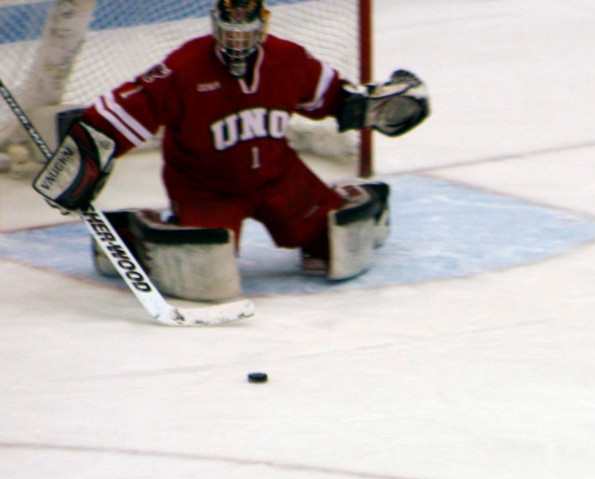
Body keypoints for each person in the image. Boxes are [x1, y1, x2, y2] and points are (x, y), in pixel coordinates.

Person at [31, 0, 429, 299]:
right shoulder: (186, 66)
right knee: (205, 275)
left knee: (340, 248)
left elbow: (336, 98)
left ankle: (370, 202)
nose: (237, 42)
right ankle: (130, 231)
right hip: (206, 186)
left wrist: (370, 106)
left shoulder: (287, 60)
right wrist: (87, 151)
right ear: (214, 25)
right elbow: (132, 107)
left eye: (246, 32)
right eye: (229, 31)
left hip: (279, 177)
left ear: (263, 26)